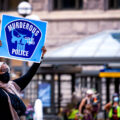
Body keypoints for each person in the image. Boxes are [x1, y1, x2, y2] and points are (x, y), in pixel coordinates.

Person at [0, 40, 47, 120]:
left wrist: (40, 57)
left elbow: (29, 75)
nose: (6, 72)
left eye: (7, 69)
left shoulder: (12, 86)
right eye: (3, 70)